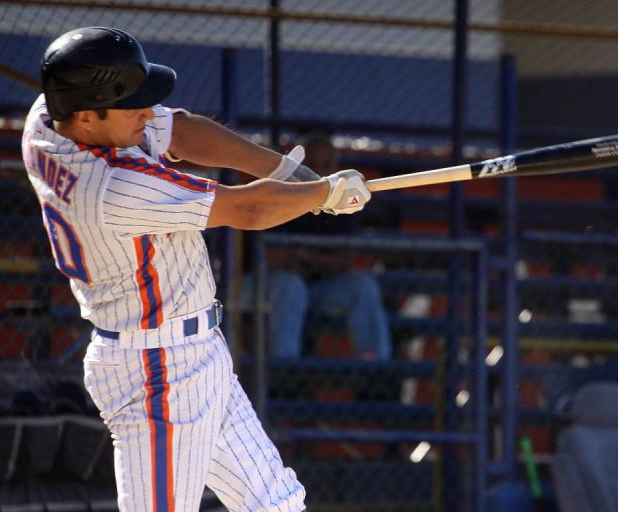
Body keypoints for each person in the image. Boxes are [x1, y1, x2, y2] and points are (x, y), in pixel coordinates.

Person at [21, 27, 371, 512]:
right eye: (133, 105)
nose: (148, 113)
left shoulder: (47, 116)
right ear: (85, 115)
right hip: (158, 369)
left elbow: (181, 130)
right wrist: (324, 195)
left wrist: (289, 174)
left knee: (277, 503)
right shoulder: (114, 188)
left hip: (194, 352)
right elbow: (247, 211)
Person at [262, 132, 392, 361]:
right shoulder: (280, 193)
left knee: (363, 287)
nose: (319, 173)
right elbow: (275, 257)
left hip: (324, 287)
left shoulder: (343, 202)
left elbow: (347, 260)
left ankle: (375, 369)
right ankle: (283, 371)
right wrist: (319, 261)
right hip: (279, 287)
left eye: (327, 165)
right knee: (290, 286)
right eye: (311, 166)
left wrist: (303, 258)